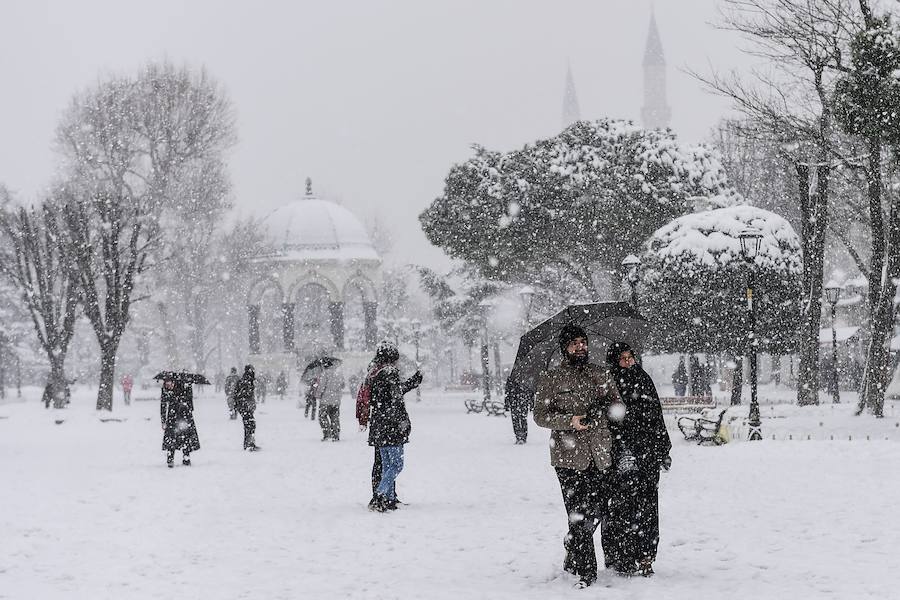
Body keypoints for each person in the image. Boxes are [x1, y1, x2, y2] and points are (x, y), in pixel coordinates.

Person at [532, 323, 620, 589]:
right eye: (574, 344)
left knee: (601, 510)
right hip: (569, 457)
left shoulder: (601, 373)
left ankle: (573, 545)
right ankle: (587, 571)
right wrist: (571, 421)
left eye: (583, 342)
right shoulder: (551, 378)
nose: (580, 347)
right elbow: (540, 416)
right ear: (564, 349)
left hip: (600, 454)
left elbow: (618, 407)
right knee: (578, 513)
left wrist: (604, 408)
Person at [604, 342, 672, 577]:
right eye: (623, 358)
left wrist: (663, 449)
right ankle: (623, 556)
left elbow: (656, 415)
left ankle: (645, 556)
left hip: (647, 452)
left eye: (630, 357)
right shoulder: (608, 382)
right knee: (623, 506)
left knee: (647, 507)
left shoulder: (642, 379)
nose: (628, 361)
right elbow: (608, 420)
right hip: (622, 453)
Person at [367, 341, 422, 512]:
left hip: (378, 424)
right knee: (396, 464)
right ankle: (381, 495)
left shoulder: (374, 372)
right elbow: (396, 399)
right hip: (391, 426)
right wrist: (402, 423)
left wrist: (412, 383)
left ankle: (389, 498)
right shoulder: (390, 372)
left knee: (384, 463)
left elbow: (390, 394)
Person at [160, 377, 201, 468]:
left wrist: (183, 403)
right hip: (172, 417)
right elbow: (163, 405)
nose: (168, 386)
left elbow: (191, 405)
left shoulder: (184, 387)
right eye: (166, 385)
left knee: (185, 437)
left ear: (173, 382)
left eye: (170, 384)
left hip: (184, 416)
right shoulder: (165, 391)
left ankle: (186, 458)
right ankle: (170, 459)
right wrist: (163, 420)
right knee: (171, 438)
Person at [234, 364, 260, 451]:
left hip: (243, 406)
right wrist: (249, 403)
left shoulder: (245, 380)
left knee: (249, 424)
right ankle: (249, 444)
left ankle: (249, 443)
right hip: (245, 406)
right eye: (252, 370)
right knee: (250, 424)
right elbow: (246, 394)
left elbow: (237, 393)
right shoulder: (247, 380)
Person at [317, 363, 346, 441]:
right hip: (336, 400)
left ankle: (327, 433)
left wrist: (318, 395)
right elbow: (343, 385)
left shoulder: (325, 373)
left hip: (325, 400)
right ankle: (335, 435)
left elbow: (321, 386)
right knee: (335, 417)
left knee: (322, 417)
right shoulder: (338, 373)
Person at [504, 377, 533, 444]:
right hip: (519, 402)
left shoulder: (514, 379)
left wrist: (531, 404)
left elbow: (507, 392)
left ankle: (522, 437)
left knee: (519, 420)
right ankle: (520, 437)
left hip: (518, 402)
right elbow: (507, 392)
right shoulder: (513, 379)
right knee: (519, 420)